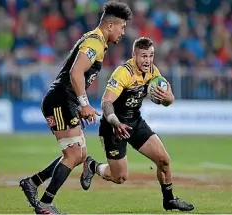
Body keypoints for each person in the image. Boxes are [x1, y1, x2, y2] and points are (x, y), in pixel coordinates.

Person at [19, 1, 132, 214]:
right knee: (73, 155)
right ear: (110, 26)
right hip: (61, 100)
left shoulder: (96, 41)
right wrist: (85, 103)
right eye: (122, 27)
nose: (123, 32)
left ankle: (33, 183)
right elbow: (75, 73)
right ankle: (44, 204)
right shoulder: (95, 43)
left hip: (64, 100)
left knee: (79, 154)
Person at [80, 37, 194, 212]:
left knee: (163, 160)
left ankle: (169, 199)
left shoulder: (153, 72)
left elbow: (168, 98)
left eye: (151, 56)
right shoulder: (123, 73)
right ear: (134, 55)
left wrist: (168, 98)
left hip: (134, 121)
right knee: (119, 177)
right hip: (113, 127)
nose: (147, 60)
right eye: (143, 56)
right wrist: (115, 122)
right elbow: (106, 102)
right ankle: (92, 165)